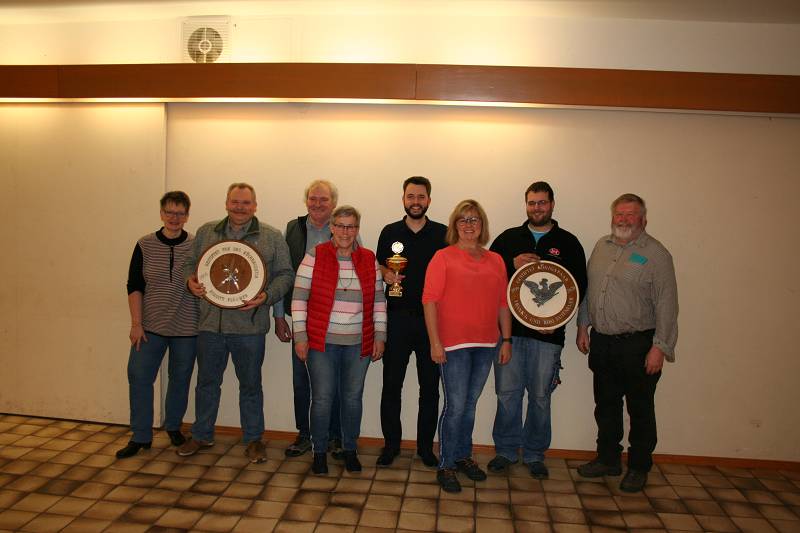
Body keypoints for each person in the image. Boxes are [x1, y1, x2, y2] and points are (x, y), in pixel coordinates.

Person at [178, 183, 293, 463]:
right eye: (235, 202)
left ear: (255, 205)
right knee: (206, 382)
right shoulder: (207, 232)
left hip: (249, 329)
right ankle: (202, 434)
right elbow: (188, 264)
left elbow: (285, 274)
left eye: (246, 203)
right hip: (210, 327)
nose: (240, 207)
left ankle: (254, 440)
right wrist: (189, 281)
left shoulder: (272, 236)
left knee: (251, 385)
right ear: (226, 203)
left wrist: (267, 296)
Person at [576, 193, 678, 493]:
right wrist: (584, 325)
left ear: (643, 219)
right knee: (605, 406)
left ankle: (638, 466)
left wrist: (660, 346)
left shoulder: (656, 254)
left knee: (640, 409)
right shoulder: (601, 247)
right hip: (603, 342)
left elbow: (668, 305)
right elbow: (590, 292)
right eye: (619, 214)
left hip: (639, 344)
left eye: (630, 214)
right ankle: (608, 459)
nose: (623, 219)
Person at [487, 181, 587, 479]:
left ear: (552, 204)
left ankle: (534, 454)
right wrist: (509, 262)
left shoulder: (568, 242)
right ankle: (505, 450)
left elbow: (578, 288)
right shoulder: (508, 239)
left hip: (549, 337)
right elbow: (488, 276)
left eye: (542, 202)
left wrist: (557, 322)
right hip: (509, 335)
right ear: (526, 204)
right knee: (507, 394)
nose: (537, 208)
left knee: (541, 397)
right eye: (532, 203)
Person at [422, 199, 512, 493]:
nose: (469, 225)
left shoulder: (496, 260)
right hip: (453, 345)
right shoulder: (443, 257)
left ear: (482, 225)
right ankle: (446, 464)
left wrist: (506, 339)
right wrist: (436, 342)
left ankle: (463, 456)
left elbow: (502, 303)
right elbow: (430, 301)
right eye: (463, 220)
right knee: (456, 406)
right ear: (454, 226)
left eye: (474, 219)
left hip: (486, 343)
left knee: (469, 406)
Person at [291, 205, 387, 475]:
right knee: (322, 399)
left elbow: (379, 300)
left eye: (352, 226)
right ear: (332, 227)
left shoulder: (369, 258)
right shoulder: (315, 256)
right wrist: (300, 336)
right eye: (341, 226)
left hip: (359, 343)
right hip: (322, 343)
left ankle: (349, 449)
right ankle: (319, 452)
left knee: (352, 398)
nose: (346, 232)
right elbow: (299, 298)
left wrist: (380, 335)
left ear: (357, 229)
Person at [116, 191, 199, 459]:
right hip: (149, 327)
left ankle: (174, 427)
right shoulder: (145, 244)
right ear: (161, 213)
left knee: (180, 380)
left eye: (180, 213)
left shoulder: (197, 245)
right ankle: (140, 435)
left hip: (187, 328)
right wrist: (136, 323)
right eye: (169, 212)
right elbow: (134, 285)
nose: (175, 218)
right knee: (139, 378)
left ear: (187, 216)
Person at [376, 176, 447, 468]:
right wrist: (385, 273)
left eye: (421, 197)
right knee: (391, 386)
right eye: (410, 196)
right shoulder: (389, 231)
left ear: (429, 200)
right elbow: (379, 263)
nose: (415, 202)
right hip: (396, 320)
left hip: (432, 323)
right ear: (403, 199)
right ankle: (391, 445)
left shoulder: (444, 233)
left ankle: (425, 449)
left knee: (429, 389)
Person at [274, 180, 343, 459]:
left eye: (323, 199)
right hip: (300, 318)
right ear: (306, 201)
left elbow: (357, 271)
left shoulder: (344, 229)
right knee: (302, 381)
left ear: (333, 203)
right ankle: (305, 435)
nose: (317, 204)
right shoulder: (292, 228)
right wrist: (279, 316)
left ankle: (334, 436)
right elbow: (282, 273)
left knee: (333, 381)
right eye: (313, 199)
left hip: (335, 321)